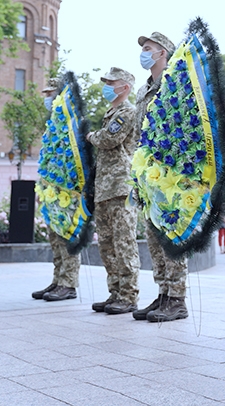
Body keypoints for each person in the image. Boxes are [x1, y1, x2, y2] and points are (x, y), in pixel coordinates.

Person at [131, 32, 190, 323]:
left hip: (170, 173)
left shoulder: (177, 82)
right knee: (153, 237)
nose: (144, 52)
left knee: (170, 234)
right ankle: (164, 292)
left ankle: (177, 298)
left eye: (148, 48)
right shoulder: (143, 91)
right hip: (146, 174)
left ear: (163, 52)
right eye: (143, 48)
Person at [87, 67, 142, 315]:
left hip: (121, 186)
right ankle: (115, 292)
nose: (107, 86)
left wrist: (90, 136)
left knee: (124, 243)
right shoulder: (110, 113)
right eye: (106, 82)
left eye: (111, 82)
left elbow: (109, 139)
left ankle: (129, 295)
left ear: (125, 87)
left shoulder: (127, 112)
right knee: (107, 245)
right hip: (105, 187)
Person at [32, 78, 81, 302]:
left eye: (50, 93)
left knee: (67, 236)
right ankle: (58, 279)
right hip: (52, 190)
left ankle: (68, 284)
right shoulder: (53, 122)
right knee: (55, 238)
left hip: (67, 190)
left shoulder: (73, 121)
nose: (46, 99)